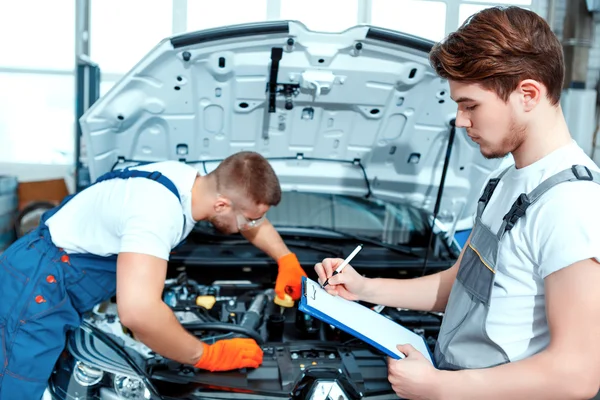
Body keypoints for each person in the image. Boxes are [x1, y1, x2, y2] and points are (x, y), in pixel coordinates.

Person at [315, 6, 600, 400]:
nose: (460, 121)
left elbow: (578, 374)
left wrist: (440, 387)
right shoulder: (507, 178)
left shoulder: (571, 204)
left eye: (470, 105)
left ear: (528, 94)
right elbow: (460, 283)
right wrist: (365, 289)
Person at [0, 151, 307, 399]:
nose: (252, 225)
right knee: (16, 388)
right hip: (39, 287)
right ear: (221, 205)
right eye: (250, 219)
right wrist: (207, 355)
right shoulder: (157, 212)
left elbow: (251, 219)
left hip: (54, 272)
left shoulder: (189, 181)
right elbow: (138, 315)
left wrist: (286, 259)